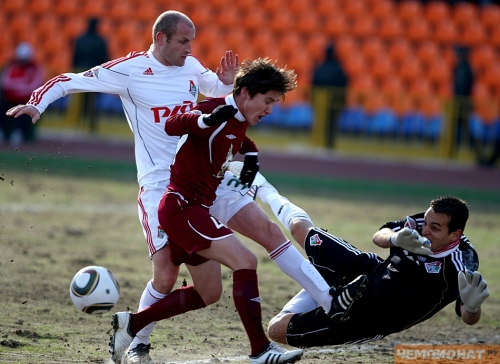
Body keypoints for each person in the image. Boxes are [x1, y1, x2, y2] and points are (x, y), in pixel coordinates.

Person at [8, 11, 346, 364]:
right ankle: (137, 343)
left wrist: (224, 81)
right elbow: (70, 80)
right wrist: (37, 103)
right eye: (184, 41)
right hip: (162, 185)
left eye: (192, 41)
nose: (190, 48)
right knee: (168, 275)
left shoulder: (191, 65)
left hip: (208, 175)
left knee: (266, 230)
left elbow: (215, 91)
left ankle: (330, 302)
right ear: (161, 39)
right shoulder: (129, 71)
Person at [109, 57, 359, 364]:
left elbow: (238, 138)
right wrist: (207, 120)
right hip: (183, 209)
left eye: (274, 103)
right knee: (242, 261)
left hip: (196, 207)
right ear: (244, 93)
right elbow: (173, 124)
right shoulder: (215, 110)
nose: (269, 110)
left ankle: (131, 324)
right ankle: (260, 350)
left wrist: (251, 156)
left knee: (208, 293)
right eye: (267, 101)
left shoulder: (238, 120)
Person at [251, 182, 490, 347]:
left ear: (455, 235)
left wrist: (472, 306)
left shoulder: (463, 262)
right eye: (426, 222)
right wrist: (394, 238)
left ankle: (327, 293)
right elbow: (379, 235)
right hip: (366, 272)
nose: (425, 230)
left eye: (435, 228)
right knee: (300, 230)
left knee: (276, 330)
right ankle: (263, 186)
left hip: (371, 317)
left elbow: (469, 317)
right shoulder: (422, 222)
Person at [0, 42, 44, 144]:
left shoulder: (35, 69)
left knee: (27, 110)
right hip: (10, 98)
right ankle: (2, 131)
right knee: (2, 107)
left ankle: (20, 133)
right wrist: (20, 87)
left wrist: (18, 88)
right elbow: (5, 83)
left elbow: (34, 86)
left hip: (26, 99)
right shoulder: (12, 66)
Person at [71, 17, 109, 131]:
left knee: (79, 101)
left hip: (80, 73)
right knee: (92, 102)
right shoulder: (100, 41)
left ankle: (76, 124)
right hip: (95, 75)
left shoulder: (80, 40)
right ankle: (91, 126)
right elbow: (105, 59)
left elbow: (74, 58)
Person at [311, 44, 348, 148]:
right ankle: (328, 144)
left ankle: (321, 144)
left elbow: (315, 81)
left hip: (322, 100)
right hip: (333, 101)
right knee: (331, 124)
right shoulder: (337, 67)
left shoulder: (322, 67)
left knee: (322, 123)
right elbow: (344, 82)